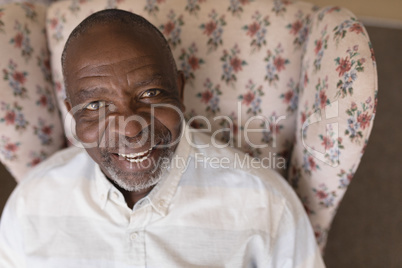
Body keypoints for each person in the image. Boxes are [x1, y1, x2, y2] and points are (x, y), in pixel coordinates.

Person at [0, 9, 324, 267]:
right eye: (97, 105)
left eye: (150, 93)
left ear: (179, 92)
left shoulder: (265, 203)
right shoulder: (31, 204)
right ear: (73, 115)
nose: (130, 128)